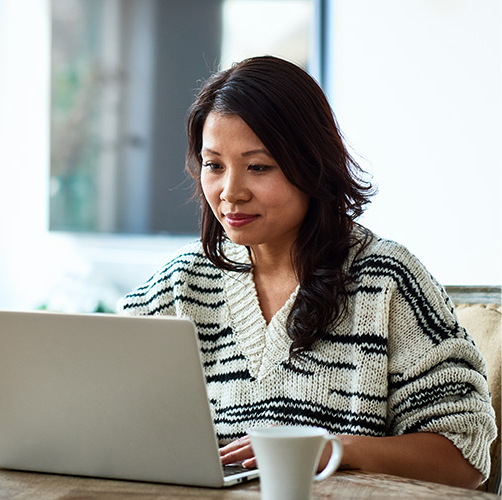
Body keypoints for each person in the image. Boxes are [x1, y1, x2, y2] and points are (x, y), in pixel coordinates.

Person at [117, 55, 496, 489]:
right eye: (214, 165)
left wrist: (333, 450)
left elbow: (464, 458)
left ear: (311, 165)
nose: (230, 192)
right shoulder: (179, 284)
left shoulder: (387, 280)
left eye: (258, 167)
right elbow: (105, 414)